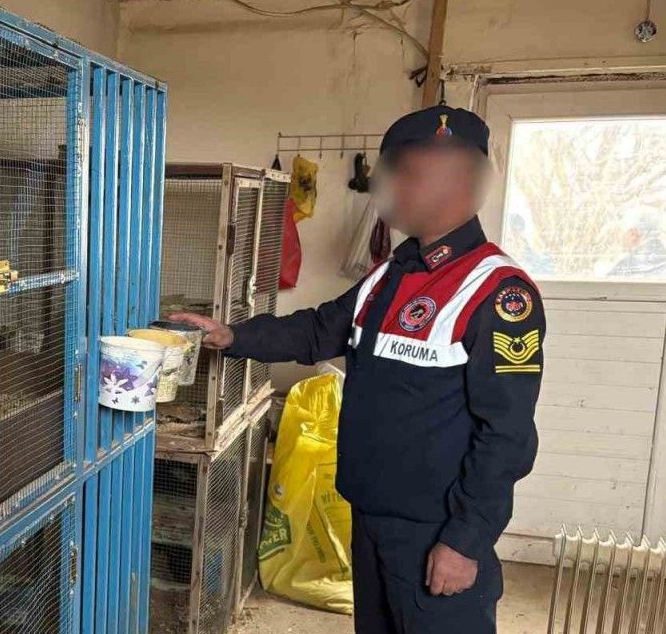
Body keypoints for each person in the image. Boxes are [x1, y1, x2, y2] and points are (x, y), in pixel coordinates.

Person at [172, 105, 545, 634]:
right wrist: (233, 335)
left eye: (403, 173)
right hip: (369, 515)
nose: (386, 187)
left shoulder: (496, 291)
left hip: (436, 532)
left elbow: (506, 436)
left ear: (455, 182)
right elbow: (318, 330)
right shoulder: (392, 273)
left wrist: (465, 541)